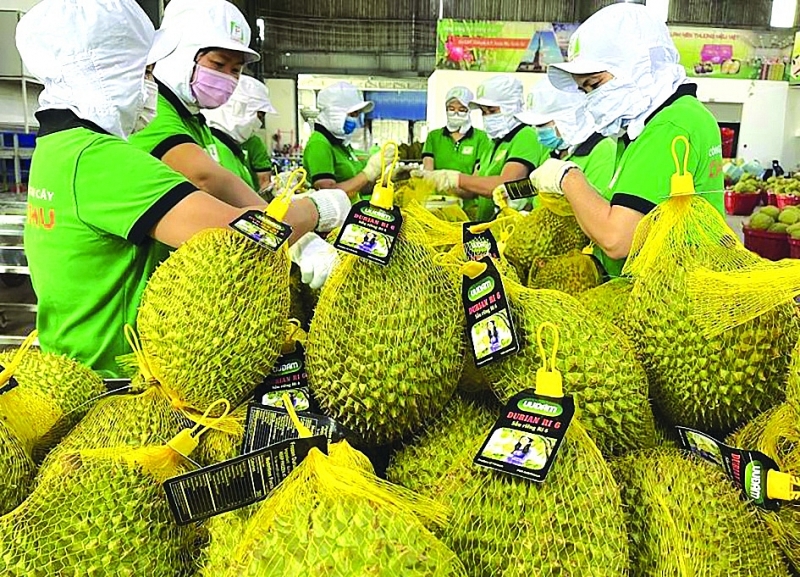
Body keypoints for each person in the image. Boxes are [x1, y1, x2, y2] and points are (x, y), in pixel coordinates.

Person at [16, 0, 346, 378]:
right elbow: (246, 238)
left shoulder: (58, 147)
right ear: (108, 70)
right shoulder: (100, 160)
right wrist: (316, 210)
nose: (150, 85)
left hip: (75, 361)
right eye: (145, 70)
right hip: (115, 378)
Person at [131, 0, 345, 287]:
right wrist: (306, 215)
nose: (227, 78)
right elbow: (204, 178)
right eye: (218, 64)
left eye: (236, 70)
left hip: (197, 276)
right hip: (155, 286)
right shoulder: (152, 111)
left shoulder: (195, 122)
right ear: (179, 53)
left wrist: (287, 230)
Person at [523, 3, 724, 279]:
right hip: (662, 292)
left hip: (671, 297)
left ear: (638, 66)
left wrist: (567, 178)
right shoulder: (661, 122)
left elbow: (617, 240)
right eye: (584, 90)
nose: (590, 98)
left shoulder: (668, 126)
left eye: (594, 84)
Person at [414, 75, 550, 222]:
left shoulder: (526, 136)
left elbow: (504, 186)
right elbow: (473, 189)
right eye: (483, 112)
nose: (487, 117)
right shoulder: (494, 144)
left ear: (511, 107)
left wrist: (455, 178)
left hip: (511, 228)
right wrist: (435, 179)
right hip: (488, 225)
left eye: (492, 111)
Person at [517, 77, 616, 195]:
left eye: (542, 125)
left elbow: (594, 203)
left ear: (567, 119)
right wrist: (512, 191)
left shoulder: (603, 150)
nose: (538, 131)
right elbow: (540, 183)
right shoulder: (556, 148)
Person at [303, 82, 393, 200]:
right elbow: (327, 196)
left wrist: (389, 179)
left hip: (350, 213)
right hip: (335, 218)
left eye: (357, 114)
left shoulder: (341, 144)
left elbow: (356, 188)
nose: (355, 120)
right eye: (352, 114)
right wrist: (367, 173)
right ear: (334, 112)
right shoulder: (319, 144)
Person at [202, 74, 277, 192]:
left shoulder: (231, 149)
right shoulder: (217, 148)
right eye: (259, 115)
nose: (259, 123)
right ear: (240, 109)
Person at [421, 87, 492, 177]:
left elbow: (478, 174)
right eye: (451, 109)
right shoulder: (433, 136)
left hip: (469, 189)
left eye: (462, 110)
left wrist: (459, 185)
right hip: (437, 189)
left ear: (469, 111)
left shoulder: (481, 137)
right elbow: (428, 170)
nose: (456, 113)